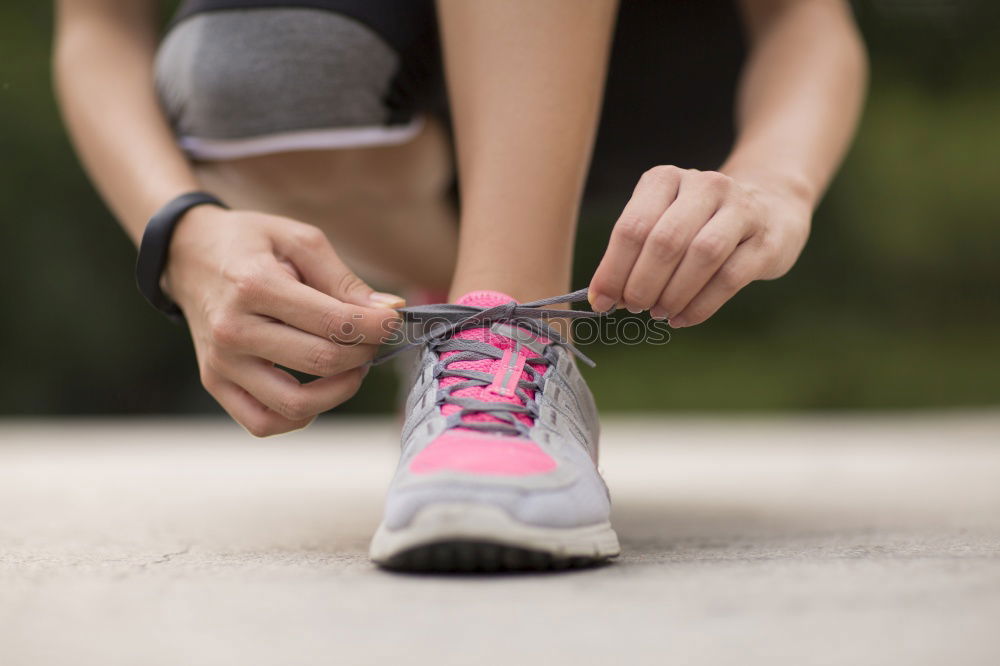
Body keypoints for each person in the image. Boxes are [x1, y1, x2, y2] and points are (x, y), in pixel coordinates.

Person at [53, 0, 867, 571]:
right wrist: (181, 233)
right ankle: (461, 321)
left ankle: (513, 330)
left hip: (665, 71)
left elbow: (806, 17)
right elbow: (95, 26)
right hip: (393, 92)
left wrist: (775, 184)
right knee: (260, 69)